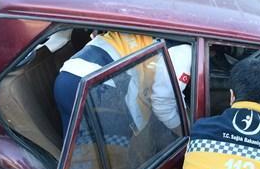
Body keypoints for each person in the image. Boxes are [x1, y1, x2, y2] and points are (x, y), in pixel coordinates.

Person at [54, 31, 191, 137]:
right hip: (96, 86)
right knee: (114, 155)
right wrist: (186, 134)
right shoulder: (184, 50)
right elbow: (163, 104)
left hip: (68, 77)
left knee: (78, 155)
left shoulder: (166, 29)